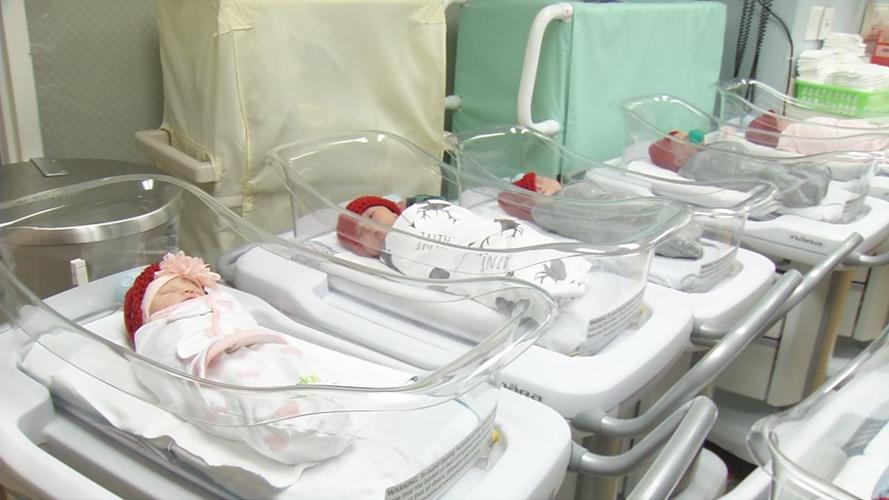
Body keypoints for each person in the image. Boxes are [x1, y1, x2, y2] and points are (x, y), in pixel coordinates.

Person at [124, 251, 355, 466]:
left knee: (288, 364)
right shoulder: (157, 331)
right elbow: (156, 365)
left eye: (193, 287)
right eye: (167, 292)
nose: (186, 292)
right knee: (239, 385)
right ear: (146, 316)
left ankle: (322, 403)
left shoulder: (222, 304)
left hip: (255, 344)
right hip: (211, 361)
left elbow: (245, 322)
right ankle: (279, 422)